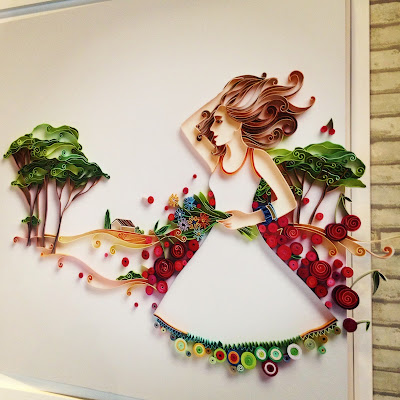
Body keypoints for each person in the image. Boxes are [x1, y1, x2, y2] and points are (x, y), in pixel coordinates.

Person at [154, 71, 336, 351]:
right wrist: (225, 95)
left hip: (245, 239)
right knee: (210, 299)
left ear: (237, 122)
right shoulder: (216, 159)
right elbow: (189, 128)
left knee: (257, 292)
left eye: (218, 121)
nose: (211, 128)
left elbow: (288, 201)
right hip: (217, 241)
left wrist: (249, 219)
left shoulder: (257, 157)